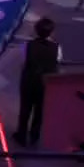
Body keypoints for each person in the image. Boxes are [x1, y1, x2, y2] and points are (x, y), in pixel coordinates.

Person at [14, 17, 60, 146]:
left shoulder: (27, 46)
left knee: (25, 109)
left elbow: (23, 62)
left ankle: (21, 136)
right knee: (39, 111)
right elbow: (57, 63)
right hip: (44, 84)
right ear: (51, 32)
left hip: (29, 81)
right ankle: (34, 137)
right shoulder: (56, 48)